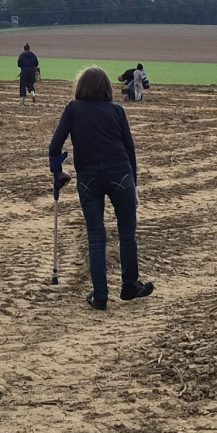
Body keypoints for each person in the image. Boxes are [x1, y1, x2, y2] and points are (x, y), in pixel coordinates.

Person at [48, 66, 154, 310]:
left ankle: (100, 295)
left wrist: (59, 172)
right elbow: (130, 149)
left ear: (81, 87)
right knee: (127, 231)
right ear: (106, 88)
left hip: (88, 176)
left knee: (96, 235)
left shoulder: (73, 109)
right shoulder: (117, 110)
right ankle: (130, 286)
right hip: (121, 172)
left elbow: (54, 148)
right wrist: (134, 185)